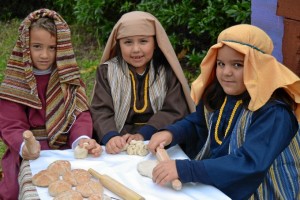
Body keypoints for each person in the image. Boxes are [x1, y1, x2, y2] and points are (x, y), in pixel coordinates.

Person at [147, 24, 300, 200]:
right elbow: (198, 122)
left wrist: (186, 169)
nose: (226, 72)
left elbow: (250, 163)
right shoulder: (219, 94)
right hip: (221, 179)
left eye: (237, 65)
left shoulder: (274, 113)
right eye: (221, 64)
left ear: (259, 67)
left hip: (261, 190)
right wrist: (172, 133)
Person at [0, 9, 102, 199]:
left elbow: (79, 114)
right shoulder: (16, 81)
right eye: (37, 46)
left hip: (65, 148)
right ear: (25, 46)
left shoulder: (68, 78)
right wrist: (25, 145)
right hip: (30, 150)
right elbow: (10, 123)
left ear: (61, 48)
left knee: (82, 184)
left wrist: (81, 139)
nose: (44, 55)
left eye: (52, 48)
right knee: (14, 191)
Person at [90, 11, 195, 154]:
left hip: (156, 138)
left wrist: (143, 135)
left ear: (155, 43)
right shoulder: (107, 72)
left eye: (143, 41)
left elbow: (174, 110)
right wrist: (111, 136)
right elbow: (101, 109)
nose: (136, 49)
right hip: (118, 140)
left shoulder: (168, 73)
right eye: (128, 42)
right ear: (119, 44)